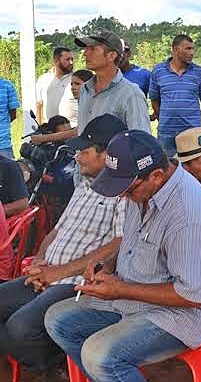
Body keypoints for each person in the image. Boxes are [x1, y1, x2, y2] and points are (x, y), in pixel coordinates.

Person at [44, 130, 201, 382]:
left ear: (157, 175)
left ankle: (112, 373)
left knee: (99, 355)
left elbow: (194, 295)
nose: (122, 195)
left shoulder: (189, 218)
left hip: (181, 315)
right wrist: (106, 266)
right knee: (57, 320)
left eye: (127, 190)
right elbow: (131, 242)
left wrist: (121, 290)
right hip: (134, 297)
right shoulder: (143, 189)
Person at [0, 114, 127, 380]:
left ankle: (59, 366)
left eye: (84, 151)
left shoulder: (123, 192)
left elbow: (118, 244)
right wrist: (40, 262)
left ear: (107, 154)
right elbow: (57, 230)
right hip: (46, 274)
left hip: (76, 283)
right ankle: (49, 364)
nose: (77, 157)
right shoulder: (83, 186)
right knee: (12, 321)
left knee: (20, 328)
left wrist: (57, 273)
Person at [75, 29, 151, 136]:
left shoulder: (131, 95)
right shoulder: (85, 90)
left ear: (111, 56)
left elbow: (141, 143)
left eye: (92, 48)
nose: (85, 54)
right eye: (86, 49)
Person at [149, 34, 201, 156]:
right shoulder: (158, 71)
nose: (192, 53)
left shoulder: (200, 72)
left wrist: (196, 123)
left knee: (193, 168)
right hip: (166, 133)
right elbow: (154, 100)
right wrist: (163, 119)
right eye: (188, 49)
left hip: (192, 132)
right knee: (167, 168)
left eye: (192, 49)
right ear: (175, 50)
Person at [36, 47, 73, 125]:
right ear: (56, 61)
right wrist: (39, 127)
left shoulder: (76, 79)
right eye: (67, 59)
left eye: (72, 59)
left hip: (72, 130)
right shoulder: (43, 79)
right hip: (50, 130)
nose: (71, 62)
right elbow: (38, 105)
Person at [0, 76, 19, 159]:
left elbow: (13, 114)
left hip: (3, 145)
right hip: (4, 145)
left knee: (7, 171)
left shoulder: (7, 86)